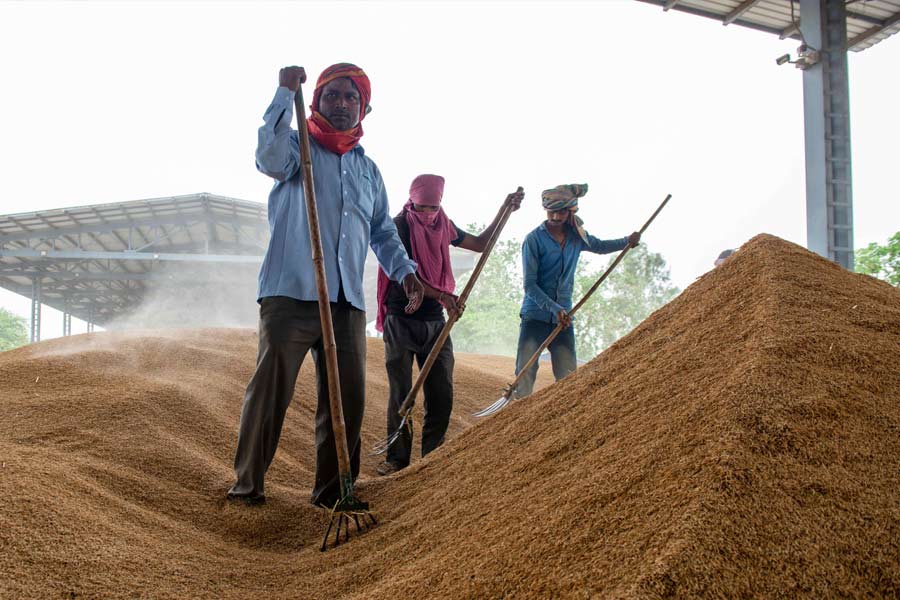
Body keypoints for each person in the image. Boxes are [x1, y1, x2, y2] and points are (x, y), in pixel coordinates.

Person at [226, 63, 424, 508]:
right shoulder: (298, 147)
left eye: (350, 97)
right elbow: (268, 159)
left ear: (364, 109)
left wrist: (405, 270)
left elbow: (383, 232)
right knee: (270, 391)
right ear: (314, 103)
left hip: (346, 301)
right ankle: (246, 488)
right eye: (331, 95)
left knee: (347, 399)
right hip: (290, 294)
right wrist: (282, 94)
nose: (341, 104)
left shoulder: (369, 171)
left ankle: (334, 492)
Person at [373, 175, 524, 476]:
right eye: (422, 207)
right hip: (400, 319)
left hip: (434, 319)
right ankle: (397, 460)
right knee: (401, 392)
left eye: (433, 207)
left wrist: (504, 209)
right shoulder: (398, 226)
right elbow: (406, 276)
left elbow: (480, 244)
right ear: (411, 201)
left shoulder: (444, 224)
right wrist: (443, 295)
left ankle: (432, 457)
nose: (428, 213)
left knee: (442, 390)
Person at [514, 183, 640, 398]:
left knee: (568, 377)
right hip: (535, 318)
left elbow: (599, 246)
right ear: (545, 210)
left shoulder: (576, 237)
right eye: (551, 211)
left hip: (563, 320)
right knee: (524, 376)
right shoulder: (534, 239)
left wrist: (627, 242)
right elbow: (530, 286)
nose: (555, 216)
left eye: (561, 211)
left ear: (570, 212)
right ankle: (513, 421)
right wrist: (554, 309)